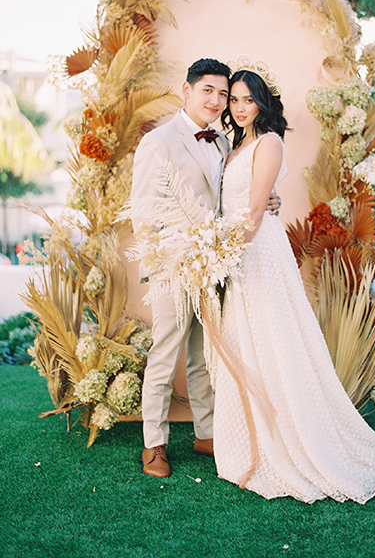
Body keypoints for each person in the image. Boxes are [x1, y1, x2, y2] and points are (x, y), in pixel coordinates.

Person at [213, 67, 375, 504]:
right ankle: (250, 438)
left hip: (256, 252)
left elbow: (257, 209)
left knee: (276, 341)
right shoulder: (235, 144)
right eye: (234, 100)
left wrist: (222, 256)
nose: (240, 108)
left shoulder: (269, 142)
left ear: (262, 102)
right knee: (246, 343)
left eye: (247, 99)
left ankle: (297, 442)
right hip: (237, 251)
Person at [131, 58, 279, 479]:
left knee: (201, 354)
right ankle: (154, 445)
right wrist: (165, 265)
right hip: (174, 267)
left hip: (216, 265)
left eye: (222, 93)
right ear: (187, 89)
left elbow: (233, 197)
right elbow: (143, 213)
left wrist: (272, 201)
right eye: (208, 91)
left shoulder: (223, 142)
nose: (216, 101)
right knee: (164, 355)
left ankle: (206, 433)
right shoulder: (158, 142)